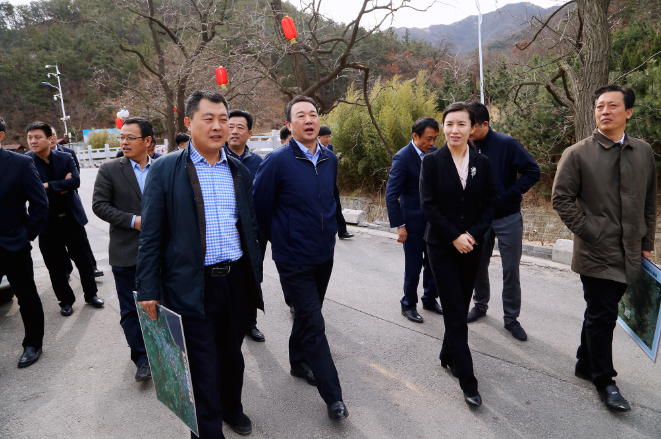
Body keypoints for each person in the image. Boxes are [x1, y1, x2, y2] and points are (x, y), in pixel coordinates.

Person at [136, 90, 264, 438]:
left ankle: (232, 408)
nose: (218, 126)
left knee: (232, 355)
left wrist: (254, 276)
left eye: (223, 119)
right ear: (189, 123)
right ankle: (207, 431)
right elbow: (152, 234)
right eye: (209, 119)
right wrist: (147, 288)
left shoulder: (238, 169)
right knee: (203, 364)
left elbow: (249, 226)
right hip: (191, 283)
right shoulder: (165, 170)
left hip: (234, 280)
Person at [552, 84, 656, 412]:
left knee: (599, 312)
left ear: (628, 112)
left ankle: (585, 362)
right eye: (599, 106)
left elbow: (649, 200)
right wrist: (589, 231)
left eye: (613, 106)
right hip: (596, 251)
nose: (605, 111)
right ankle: (604, 380)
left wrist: (647, 243)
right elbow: (561, 198)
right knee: (603, 314)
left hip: (631, 250)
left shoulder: (643, 152)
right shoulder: (578, 153)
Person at [253, 96, 348, 421]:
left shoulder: (329, 158)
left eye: (313, 114)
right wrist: (283, 239)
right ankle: (333, 396)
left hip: (323, 253)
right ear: (289, 124)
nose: (309, 120)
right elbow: (260, 209)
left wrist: (332, 230)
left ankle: (297, 361)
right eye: (301, 116)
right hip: (293, 258)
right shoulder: (277, 161)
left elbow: (330, 198)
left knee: (309, 314)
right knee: (314, 322)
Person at [420, 103, 496, 407]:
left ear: (472, 128)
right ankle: (468, 380)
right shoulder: (431, 161)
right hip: (441, 246)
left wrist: (472, 235)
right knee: (455, 312)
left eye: (461, 124)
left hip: (472, 246)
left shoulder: (483, 163)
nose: (454, 130)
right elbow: (428, 205)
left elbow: (490, 204)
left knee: (460, 305)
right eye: (449, 124)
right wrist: (454, 236)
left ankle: (447, 355)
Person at [466, 102, 540, 341]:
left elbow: (533, 171)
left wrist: (508, 194)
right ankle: (480, 305)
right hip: (480, 218)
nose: (468, 131)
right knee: (477, 265)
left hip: (507, 216)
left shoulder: (506, 144)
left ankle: (511, 318)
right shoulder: (466, 145)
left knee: (510, 269)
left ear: (485, 124)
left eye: (472, 126)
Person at [92, 117, 155, 382]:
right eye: (122, 137)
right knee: (131, 309)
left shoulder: (163, 167)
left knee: (165, 304)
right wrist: (133, 221)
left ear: (148, 141)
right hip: (126, 251)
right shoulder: (109, 169)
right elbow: (99, 205)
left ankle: (168, 352)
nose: (124, 142)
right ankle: (141, 359)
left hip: (163, 253)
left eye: (131, 137)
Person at [25, 122, 105, 316]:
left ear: (50, 139)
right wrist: (60, 185)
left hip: (71, 218)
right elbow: (30, 191)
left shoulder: (65, 157)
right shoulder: (26, 162)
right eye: (30, 138)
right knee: (55, 266)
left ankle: (91, 294)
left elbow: (75, 181)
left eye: (38, 137)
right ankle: (65, 301)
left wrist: (46, 186)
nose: (33, 141)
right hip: (46, 222)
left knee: (83, 260)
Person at [0, 116, 48, 368]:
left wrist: (26, 234)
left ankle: (33, 344)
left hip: (13, 242)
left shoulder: (20, 163)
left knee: (26, 296)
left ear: (0, 136)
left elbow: (39, 203)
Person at [385, 117, 443, 323]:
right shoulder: (402, 158)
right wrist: (400, 225)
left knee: (433, 263)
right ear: (415, 136)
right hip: (412, 224)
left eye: (435, 138)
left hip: (434, 222)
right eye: (428, 138)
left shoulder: (435, 153)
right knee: (413, 266)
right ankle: (408, 304)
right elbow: (391, 195)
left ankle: (430, 299)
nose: (432, 143)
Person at [223, 109, 266, 343]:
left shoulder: (258, 162)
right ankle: (230, 322)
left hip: (253, 232)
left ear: (249, 133)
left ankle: (251, 322)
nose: (234, 131)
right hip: (226, 232)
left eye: (240, 127)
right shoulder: (217, 159)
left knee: (252, 276)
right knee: (228, 280)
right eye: (230, 126)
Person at [50, 126, 104, 279]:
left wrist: (54, 185)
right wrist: (61, 185)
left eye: (53, 134)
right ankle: (66, 269)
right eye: (49, 135)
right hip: (51, 207)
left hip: (71, 204)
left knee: (81, 241)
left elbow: (75, 180)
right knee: (59, 243)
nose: (52, 138)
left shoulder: (68, 153)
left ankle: (92, 267)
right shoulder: (33, 158)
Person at [318, 125, 353, 240]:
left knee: (337, 206)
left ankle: (342, 231)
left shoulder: (330, 147)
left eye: (329, 137)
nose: (328, 139)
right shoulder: (314, 149)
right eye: (325, 137)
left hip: (332, 182)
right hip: (321, 184)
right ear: (318, 137)